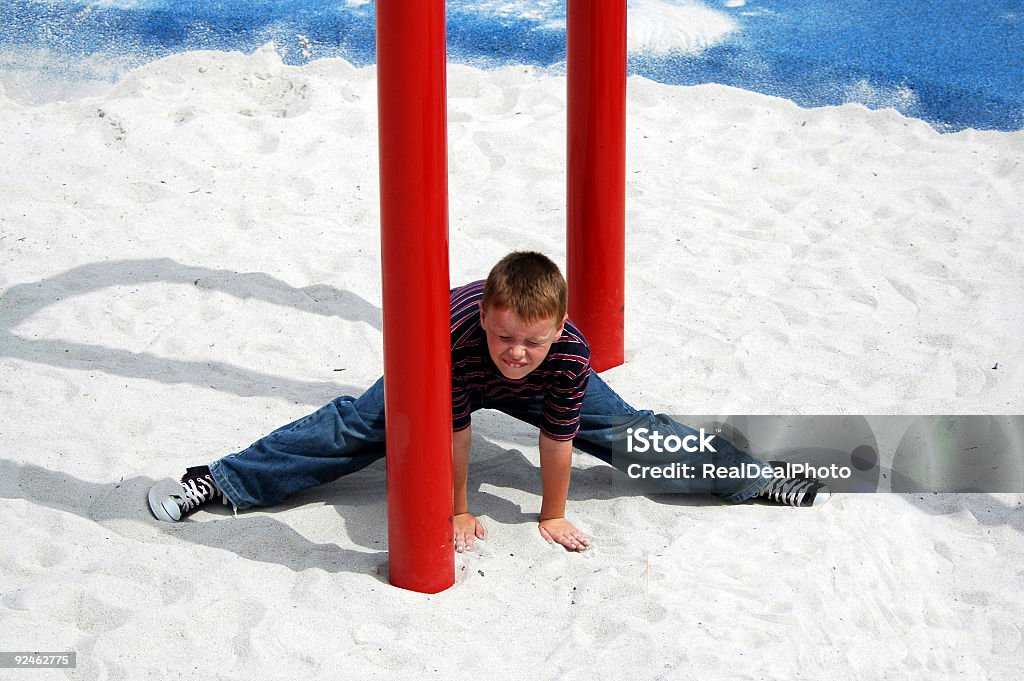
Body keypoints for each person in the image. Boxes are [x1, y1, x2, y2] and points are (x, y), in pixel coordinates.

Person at [148, 252, 829, 551]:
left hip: (544, 377)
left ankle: (750, 475)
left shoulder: (563, 353)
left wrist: (552, 514)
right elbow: (456, 431)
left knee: (626, 428)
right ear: (487, 322)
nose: (516, 352)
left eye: (530, 340)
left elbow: (559, 437)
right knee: (359, 424)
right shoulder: (460, 341)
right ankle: (221, 479)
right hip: (446, 366)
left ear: (559, 330)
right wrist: (459, 507)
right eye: (506, 336)